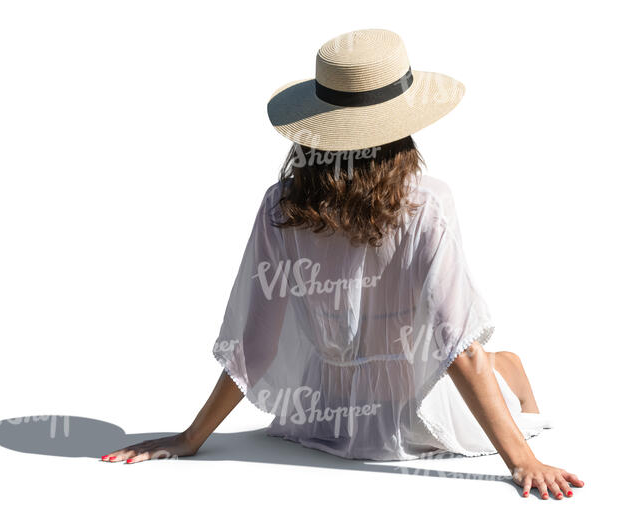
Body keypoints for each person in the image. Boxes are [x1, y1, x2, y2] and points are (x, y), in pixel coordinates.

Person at [100, 29, 584, 500]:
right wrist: (189, 438)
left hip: (351, 406)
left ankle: (510, 369)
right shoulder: (416, 203)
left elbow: (453, 343)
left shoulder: (287, 204)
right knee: (484, 361)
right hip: (335, 409)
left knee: (491, 368)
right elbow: (256, 344)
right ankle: (508, 365)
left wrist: (521, 459)